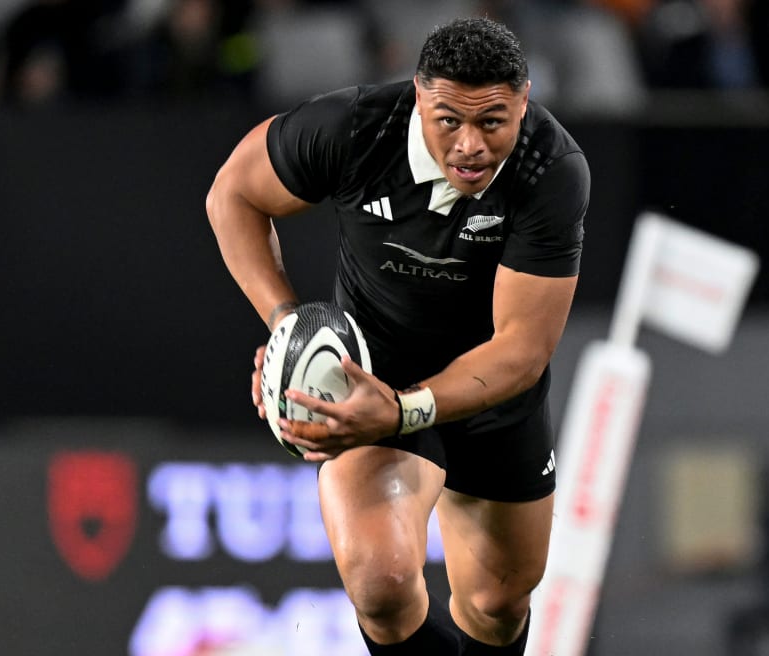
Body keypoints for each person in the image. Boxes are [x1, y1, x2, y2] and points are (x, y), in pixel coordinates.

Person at [205, 16, 589, 656]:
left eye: (492, 122)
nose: (469, 145)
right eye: (449, 121)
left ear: (523, 102)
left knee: (498, 603)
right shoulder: (356, 129)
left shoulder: (550, 168)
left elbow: (522, 349)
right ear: (419, 97)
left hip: (491, 392)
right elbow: (233, 195)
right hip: (368, 381)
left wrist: (409, 407)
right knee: (381, 585)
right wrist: (287, 326)